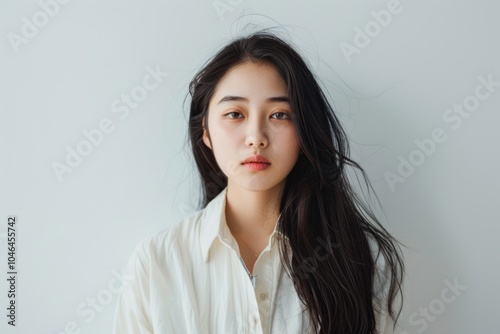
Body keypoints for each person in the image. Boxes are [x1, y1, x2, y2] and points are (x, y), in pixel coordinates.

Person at [112, 31, 405, 334]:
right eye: (235, 114)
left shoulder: (356, 258)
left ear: (304, 130)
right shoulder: (156, 264)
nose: (256, 138)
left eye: (280, 114)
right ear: (206, 131)